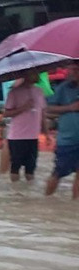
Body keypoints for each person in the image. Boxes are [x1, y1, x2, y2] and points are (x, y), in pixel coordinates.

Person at [3, 74, 47, 182]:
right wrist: (23, 108)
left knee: (31, 168)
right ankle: (15, 192)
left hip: (33, 136)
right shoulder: (14, 92)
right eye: (33, 73)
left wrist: (46, 132)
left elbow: (42, 112)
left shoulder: (39, 91)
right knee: (15, 167)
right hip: (17, 136)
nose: (37, 76)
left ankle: (29, 193)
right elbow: (6, 113)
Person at [45, 64, 79, 198]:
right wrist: (70, 107)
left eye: (77, 70)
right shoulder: (63, 88)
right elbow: (47, 109)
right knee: (58, 172)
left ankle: (75, 204)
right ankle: (46, 201)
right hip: (67, 139)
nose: (74, 72)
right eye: (72, 69)